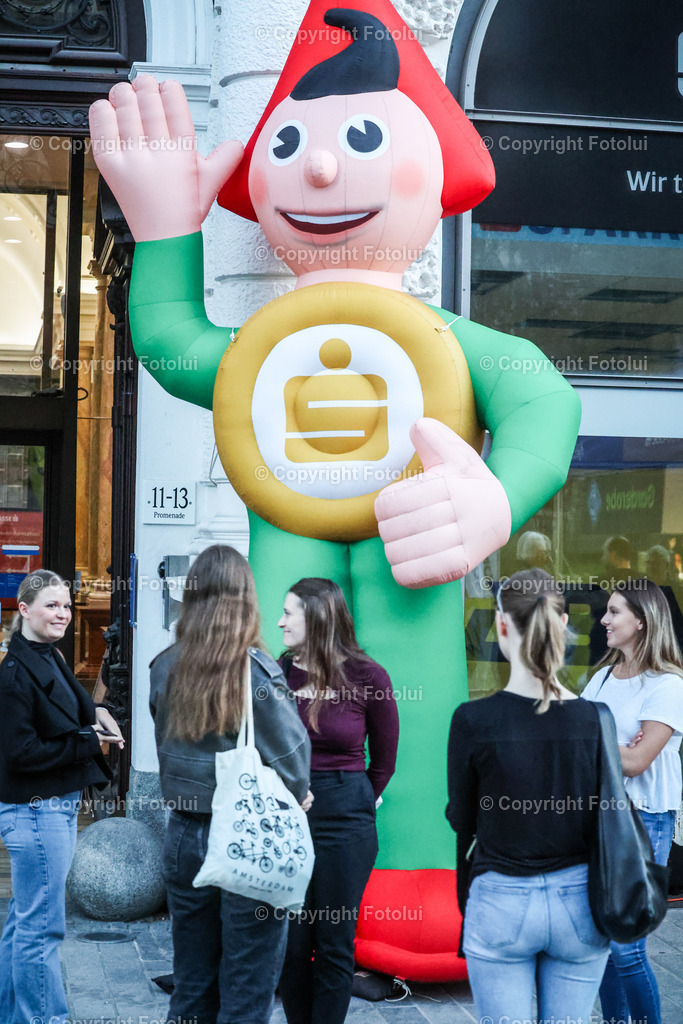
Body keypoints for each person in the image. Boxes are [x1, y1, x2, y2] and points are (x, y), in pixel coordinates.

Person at [148, 545, 312, 1024]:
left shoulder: (163, 665)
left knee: (192, 983)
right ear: (245, 599)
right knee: (247, 987)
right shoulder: (255, 671)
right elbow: (294, 763)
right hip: (247, 837)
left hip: (184, 835)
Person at [446, 569, 611, 1024]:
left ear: (501, 625)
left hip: (501, 899)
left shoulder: (473, 720)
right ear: (563, 623)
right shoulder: (593, 719)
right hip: (580, 901)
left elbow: (461, 818)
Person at [0, 569, 121, 1024]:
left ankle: (14, 1016)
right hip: (36, 812)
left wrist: (100, 713)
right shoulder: (14, 673)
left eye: (67, 606)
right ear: (24, 609)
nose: (64, 614)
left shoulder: (44, 655)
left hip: (49, 808)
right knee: (41, 929)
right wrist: (89, 739)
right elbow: (20, 753)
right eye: (51, 605)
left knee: (24, 922)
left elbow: (65, 709)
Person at [276, 577, 399, 1024]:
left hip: (346, 824)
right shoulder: (279, 672)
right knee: (290, 945)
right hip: (288, 821)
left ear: (318, 617)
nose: (280, 621)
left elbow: (384, 760)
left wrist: (357, 796)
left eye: (289, 613)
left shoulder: (369, 676)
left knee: (333, 942)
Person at [581, 578, 683, 1024]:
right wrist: (608, 745)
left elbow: (638, 760)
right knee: (605, 942)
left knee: (627, 948)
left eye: (615, 611)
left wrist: (601, 743)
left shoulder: (668, 685)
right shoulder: (603, 676)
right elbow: (575, 735)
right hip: (603, 816)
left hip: (645, 820)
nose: (603, 619)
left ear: (642, 621)